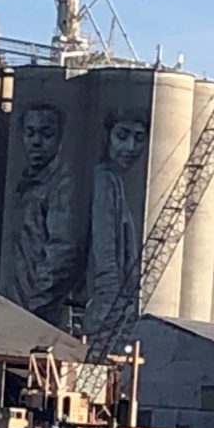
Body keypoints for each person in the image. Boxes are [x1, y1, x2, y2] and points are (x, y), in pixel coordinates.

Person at [7, 103, 82, 327]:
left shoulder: (62, 186)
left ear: (60, 139)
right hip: (15, 307)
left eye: (46, 134)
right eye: (30, 133)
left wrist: (33, 304)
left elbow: (62, 253)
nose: (36, 142)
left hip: (38, 314)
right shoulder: (25, 183)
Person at [86, 112, 149, 336]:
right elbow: (105, 256)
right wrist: (111, 307)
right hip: (109, 310)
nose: (131, 147)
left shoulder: (115, 182)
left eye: (140, 138)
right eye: (122, 136)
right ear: (107, 137)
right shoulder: (104, 181)